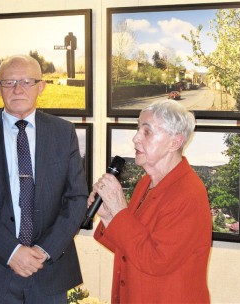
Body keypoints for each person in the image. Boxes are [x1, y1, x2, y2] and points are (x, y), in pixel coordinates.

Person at [0, 54, 88, 303]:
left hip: (48, 269)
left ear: (41, 86)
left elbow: (76, 198)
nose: (18, 89)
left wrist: (43, 251)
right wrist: (11, 251)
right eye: (9, 82)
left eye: (27, 81)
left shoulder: (63, 132)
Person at [89, 100, 212, 303]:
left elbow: (155, 261)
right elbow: (131, 249)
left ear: (174, 142)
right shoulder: (146, 182)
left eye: (146, 132)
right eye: (138, 129)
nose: (135, 138)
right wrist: (108, 216)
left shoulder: (188, 193)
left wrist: (119, 210)